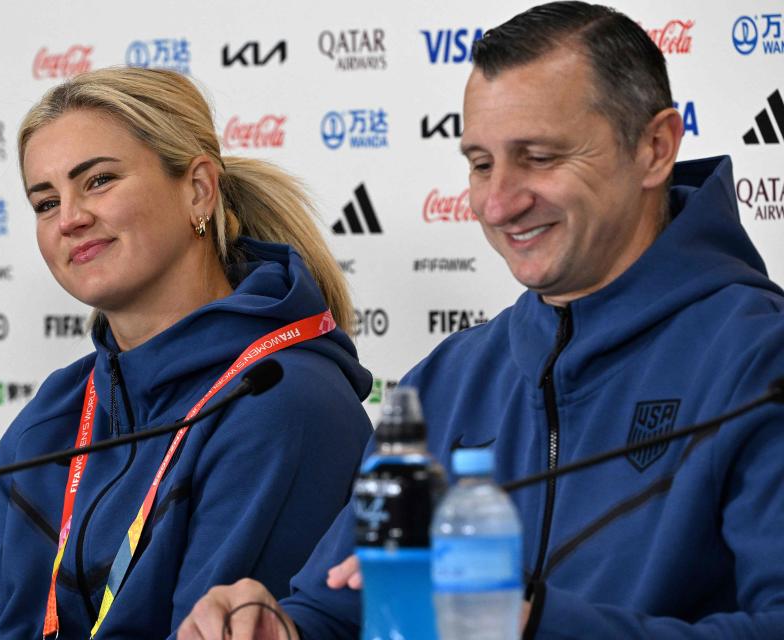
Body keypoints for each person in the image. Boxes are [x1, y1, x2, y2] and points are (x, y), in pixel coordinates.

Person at [179, 2, 784, 638]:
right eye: (481, 163)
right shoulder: (446, 379)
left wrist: (530, 625)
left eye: (540, 157)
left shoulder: (758, 356)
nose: (498, 203)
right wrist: (280, 628)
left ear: (654, 148)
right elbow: (347, 602)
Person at [0, 67, 374, 639]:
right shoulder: (58, 411)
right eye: (46, 202)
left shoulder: (282, 400)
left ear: (198, 188)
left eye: (97, 181)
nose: (70, 218)